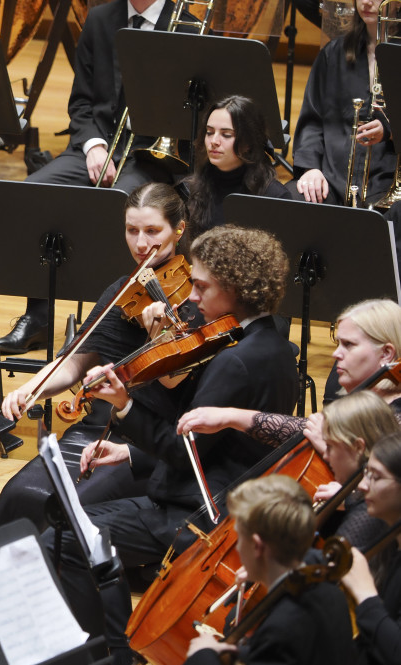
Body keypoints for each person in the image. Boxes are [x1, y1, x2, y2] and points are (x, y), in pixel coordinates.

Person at [49, 225, 298, 665]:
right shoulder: (276, 347)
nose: (193, 298)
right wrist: (130, 453)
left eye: (202, 286)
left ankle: (110, 653)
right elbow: (217, 444)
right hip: (222, 495)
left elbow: (188, 454)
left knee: (72, 537)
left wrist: (125, 407)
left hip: (196, 513)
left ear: (236, 288)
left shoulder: (234, 361)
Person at [0, 0, 191, 354]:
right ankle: (38, 315)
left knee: (121, 205)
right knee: (31, 193)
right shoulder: (101, 18)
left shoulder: (187, 25)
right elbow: (81, 102)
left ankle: (107, 325)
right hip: (97, 145)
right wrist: (94, 146)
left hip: (149, 155)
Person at [0, 182, 189, 531]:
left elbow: (173, 379)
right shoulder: (121, 290)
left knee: (67, 510)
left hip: (148, 442)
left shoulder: (193, 295)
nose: (141, 243)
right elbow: (75, 359)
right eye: (132, 231)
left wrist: (159, 333)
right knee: (18, 494)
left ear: (179, 229)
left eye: (152, 231)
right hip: (99, 427)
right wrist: (32, 388)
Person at [176, 298, 401, 449]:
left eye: (349, 345)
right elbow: (305, 428)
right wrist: (231, 417)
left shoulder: (396, 417)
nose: (336, 355)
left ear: (387, 353)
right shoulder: (366, 401)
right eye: (338, 344)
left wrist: (333, 455)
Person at [184, 475, 357, 664]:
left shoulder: (282, 630)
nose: (239, 548)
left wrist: (202, 656)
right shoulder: (324, 583)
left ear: (257, 547)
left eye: (239, 538)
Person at [290, 0, 397, 207]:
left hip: (385, 181)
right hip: (331, 177)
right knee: (292, 200)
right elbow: (313, 120)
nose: (367, 2)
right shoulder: (333, 52)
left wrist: (389, 130)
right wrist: (311, 168)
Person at [180, 95, 292, 240]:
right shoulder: (189, 188)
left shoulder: (275, 197)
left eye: (226, 135)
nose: (213, 141)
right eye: (209, 132)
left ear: (248, 142)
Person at [306, 390, 399, 549]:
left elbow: (333, 566)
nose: (325, 456)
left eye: (329, 446)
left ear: (358, 447)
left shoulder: (370, 509)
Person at [342, 431, 401, 665]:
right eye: (366, 472)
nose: (363, 485)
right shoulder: (390, 538)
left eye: (375, 476)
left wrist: (365, 593)